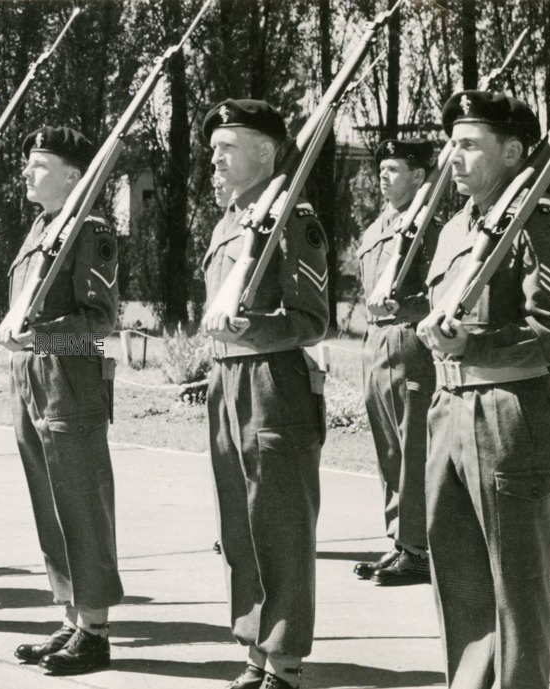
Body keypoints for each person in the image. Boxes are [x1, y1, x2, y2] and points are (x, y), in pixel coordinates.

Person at [415, 90, 550, 689]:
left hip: (509, 415)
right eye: (451, 143)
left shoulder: (538, 224)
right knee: (458, 577)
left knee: (516, 586)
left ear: (512, 152)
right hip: (450, 409)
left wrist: (474, 347)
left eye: (468, 145)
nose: (452, 157)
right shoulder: (457, 226)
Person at [199, 99, 329, 689]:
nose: (215, 158)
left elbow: (312, 319)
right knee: (240, 523)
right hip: (226, 383)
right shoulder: (232, 221)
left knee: (279, 523)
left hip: (273, 383)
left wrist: (251, 328)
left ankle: (285, 661)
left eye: (227, 147)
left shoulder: (291, 217)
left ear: (267, 151)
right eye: (214, 148)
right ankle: (256, 649)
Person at [0, 126, 120, 676]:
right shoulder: (42, 230)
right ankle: (71, 617)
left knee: (80, 504)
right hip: (32, 379)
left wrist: (40, 339)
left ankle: (95, 628)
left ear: (74, 176)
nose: (26, 173)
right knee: (50, 503)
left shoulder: (88, 231)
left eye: (38, 165)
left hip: (69, 381)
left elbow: (100, 328)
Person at [354, 139, 437, 586]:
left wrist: (407, 309)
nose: (383, 175)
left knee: (414, 450)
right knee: (388, 449)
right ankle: (400, 542)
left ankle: (419, 546)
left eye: (394, 168)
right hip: (374, 343)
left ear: (419, 177)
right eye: (381, 168)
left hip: (409, 342)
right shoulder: (375, 230)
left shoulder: (429, 228)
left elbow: (444, 292)